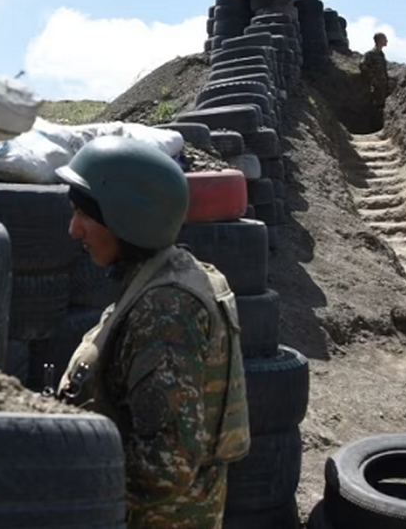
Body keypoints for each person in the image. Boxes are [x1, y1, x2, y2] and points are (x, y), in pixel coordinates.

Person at [54, 137, 249, 528]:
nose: (73, 229)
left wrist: (61, 473)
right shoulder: (164, 275)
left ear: (126, 218)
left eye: (84, 215)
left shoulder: (165, 313)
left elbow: (166, 466)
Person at [360, 32, 389, 123]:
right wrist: (372, 77)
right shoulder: (370, 54)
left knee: (382, 106)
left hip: (383, 85)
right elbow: (362, 65)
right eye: (384, 38)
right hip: (375, 86)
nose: (386, 40)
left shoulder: (381, 54)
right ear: (379, 40)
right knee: (375, 107)